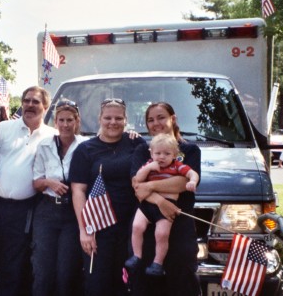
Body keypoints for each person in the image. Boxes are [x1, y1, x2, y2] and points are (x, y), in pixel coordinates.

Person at [0, 86, 56, 296]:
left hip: (25, 211)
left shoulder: (52, 136)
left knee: (12, 267)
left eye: (35, 102)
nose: (30, 105)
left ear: (45, 107)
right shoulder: (4, 128)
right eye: (26, 100)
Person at [70, 98, 145, 296]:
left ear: (126, 120)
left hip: (131, 228)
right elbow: (78, 191)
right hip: (98, 229)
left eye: (118, 118)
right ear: (99, 119)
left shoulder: (136, 143)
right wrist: (84, 230)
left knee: (126, 285)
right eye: (108, 117)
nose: (113, 122)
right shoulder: (85, 150)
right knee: (97, 284)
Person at [130, 102, 202, 296]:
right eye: (150, 120)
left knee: (181, 286)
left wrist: (150, 185)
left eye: (161, 117)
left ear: (173, 119)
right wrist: (162, 202)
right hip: (148, 233)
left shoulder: (190, 150)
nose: (156, 123)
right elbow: (137, 188)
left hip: (180, 231)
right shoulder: (141, 151)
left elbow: (181, 183)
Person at [31, 99, 86, 296]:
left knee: (66, 270)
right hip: (47, 212)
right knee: (43, 269)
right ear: (55, 122)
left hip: (72, 212)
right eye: (61, 120)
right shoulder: (44, 145)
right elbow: (36, 183)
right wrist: (49, 182)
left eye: (69, 120)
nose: (65, 125)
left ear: (77, 121)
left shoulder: (86, 146)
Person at [125, 133, 199, 277]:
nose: (161, 157)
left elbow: (192, 173)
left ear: (175, 154)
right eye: (157, 153)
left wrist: (192, 182)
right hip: (147, 203)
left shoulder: (177, 166)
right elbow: (137, 180)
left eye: (167, 153)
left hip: (167, 206)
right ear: (151, 153)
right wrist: (148, 168)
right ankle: (136, 256)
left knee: (162, 234)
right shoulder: (149, 165)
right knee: (137, 227)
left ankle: (157, 263)